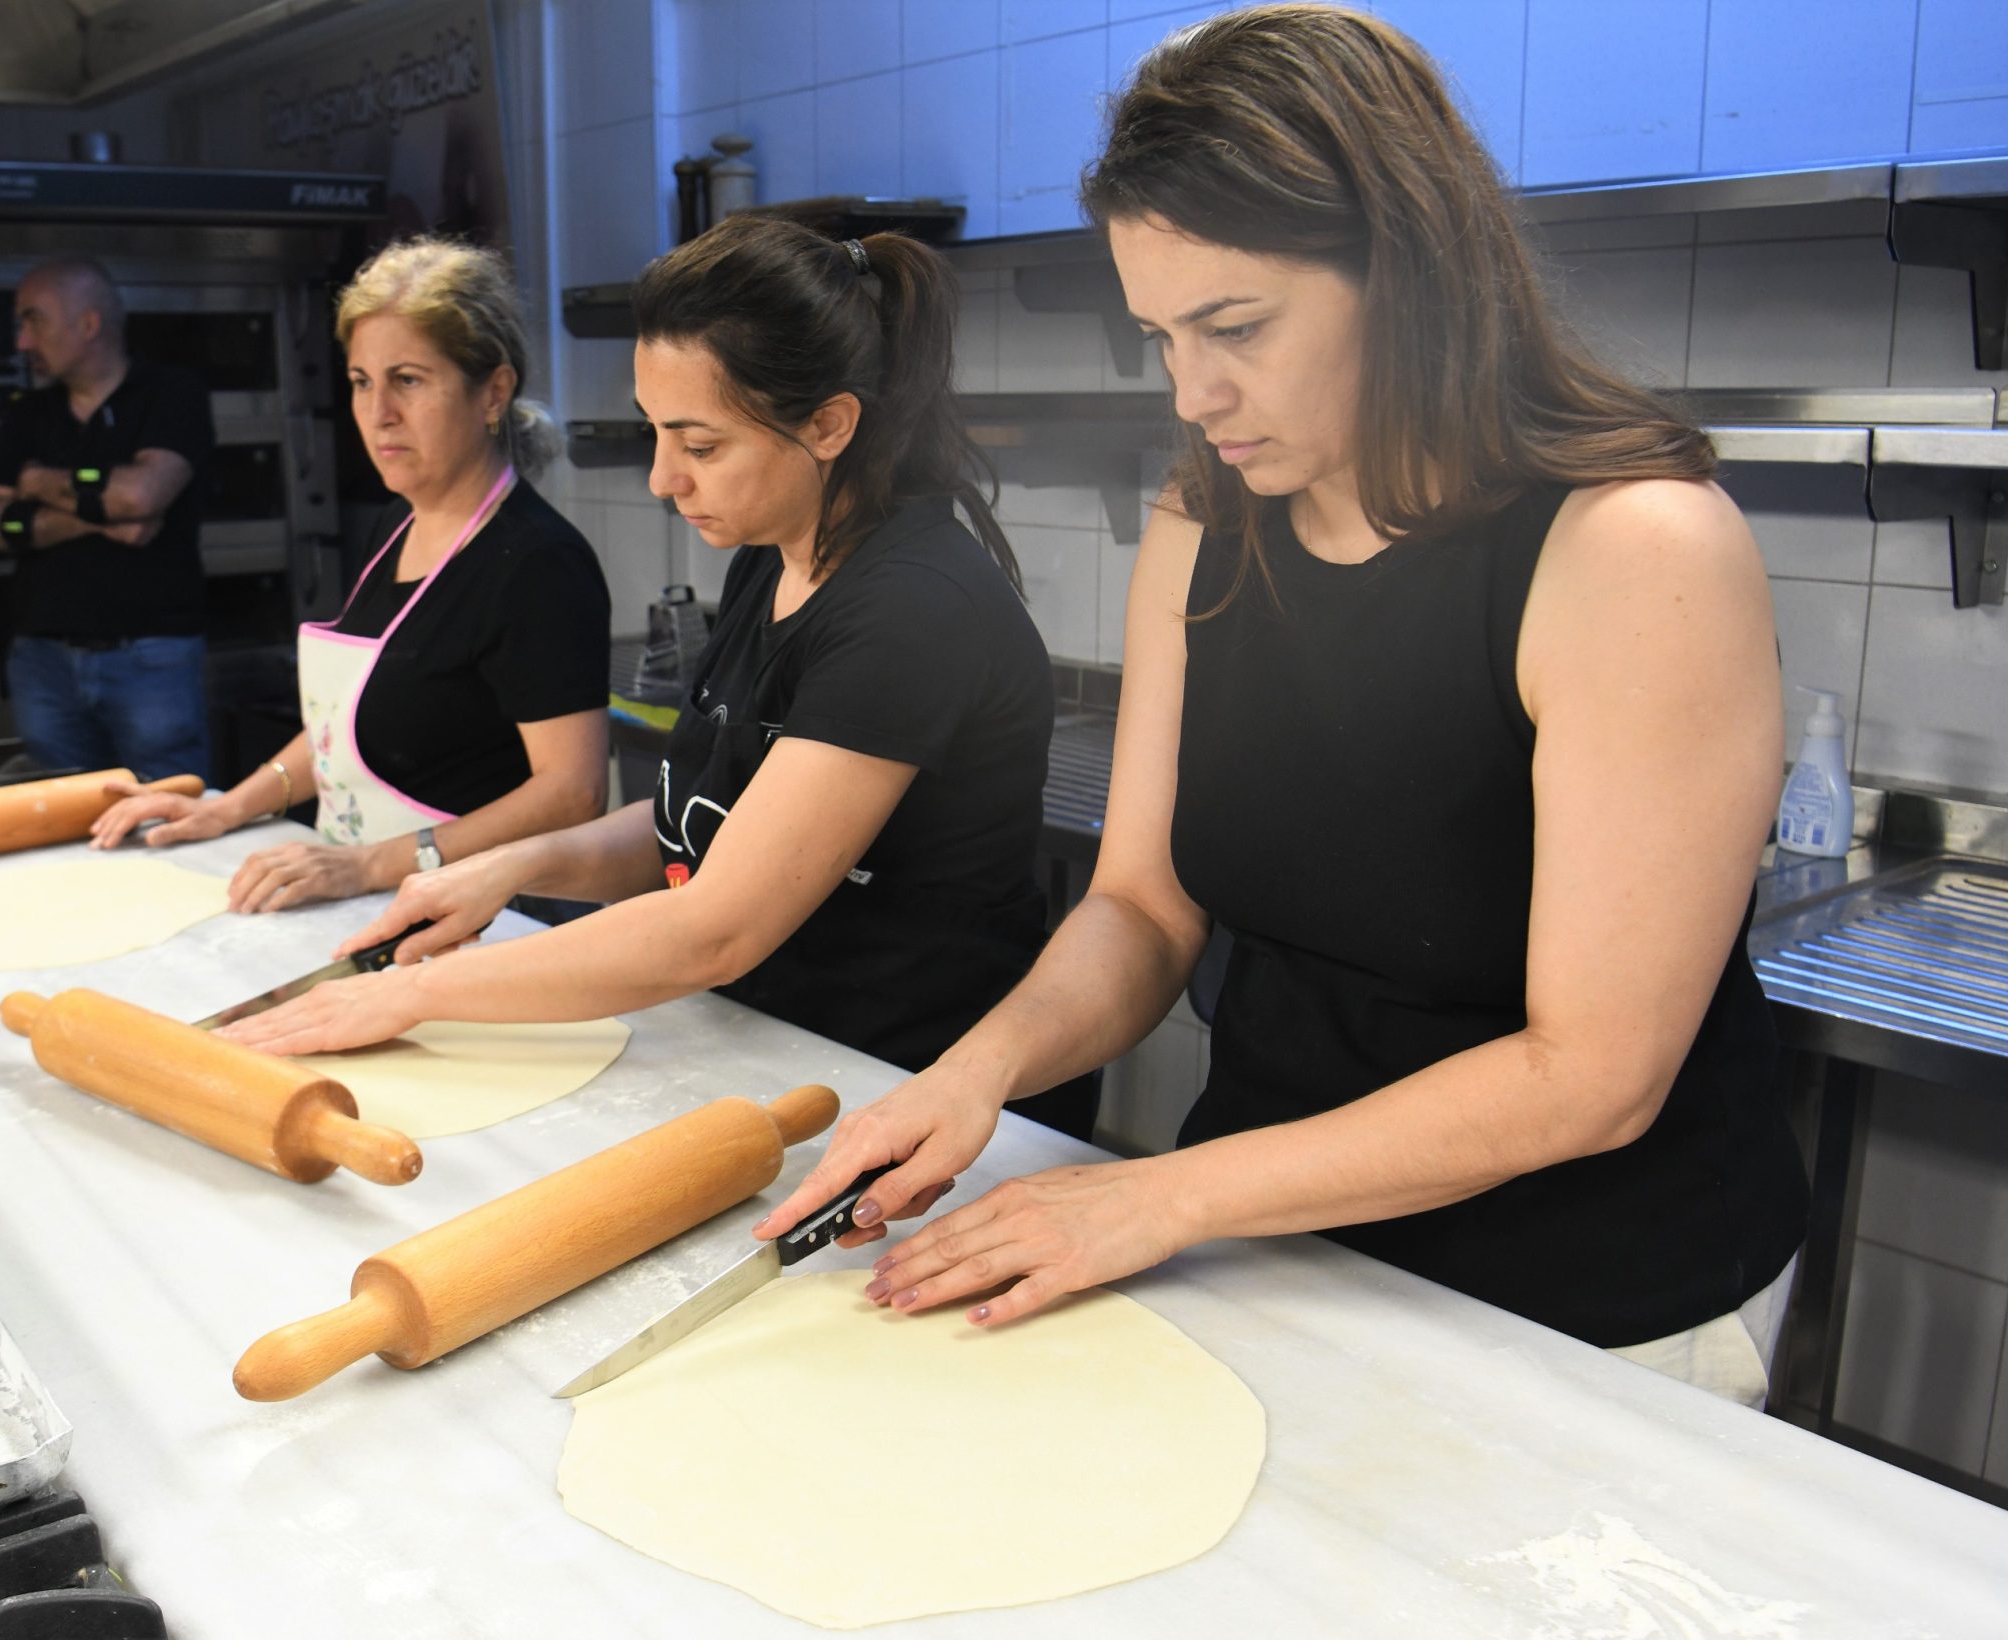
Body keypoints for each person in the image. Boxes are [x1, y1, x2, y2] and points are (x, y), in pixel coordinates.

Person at [759, 4, 1810, 1408]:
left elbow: (1591, 1074)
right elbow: (1141, 906)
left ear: (1410, 269)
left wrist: (1159, 1198)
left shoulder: (1635, 549)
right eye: (1162, 338)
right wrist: (979, 1071)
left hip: (1592, 1312)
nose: (1197, 396)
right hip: (1283, 1252)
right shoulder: (1210, 524)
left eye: (1236, 327)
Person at [217, 214, 1095, 1139]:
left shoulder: (912, 610)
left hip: (912, 1099)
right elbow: (705, 818)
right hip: (777, 1053)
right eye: (655, 434)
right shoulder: (776, 550)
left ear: (831, 425)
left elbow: (715, 924)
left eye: (700, 445)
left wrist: (413, 997)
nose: (662, 479)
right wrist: (503, 866)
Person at [91, 238, 610, 915]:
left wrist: (371, 865)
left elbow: (572, 793)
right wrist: (228, 807)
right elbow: (340, 727)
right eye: (363, 381)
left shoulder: (539, 563)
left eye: (409, 380)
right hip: (375, 899)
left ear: (494, 391)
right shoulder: (395, 526)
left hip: (492, 918)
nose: (378, 412)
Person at [0, 258, 215, 781]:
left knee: (168, 811)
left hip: (151, 657)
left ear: (88, 323)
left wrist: (39, 487)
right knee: (61, 821)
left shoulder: (170, 394)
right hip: (43, 661)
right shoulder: (28, 414)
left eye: (33, 321)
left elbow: (141, 494)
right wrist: (100, 517)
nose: (22, 343)